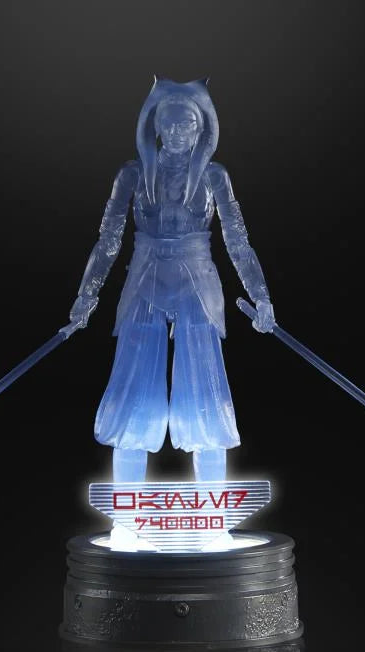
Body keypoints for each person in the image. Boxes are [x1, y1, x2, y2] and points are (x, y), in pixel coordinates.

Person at [66, 77, 275, 482]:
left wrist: (261, 296)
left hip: (198, 282)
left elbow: (237, 241)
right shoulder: (131, 174)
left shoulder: (214, 176)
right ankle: (127, 505)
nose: (178, 133)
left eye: (187, 125)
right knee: (133, 391)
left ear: (201, 130)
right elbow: (108, 240)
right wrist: (86, 296)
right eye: (171, 124)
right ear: (157, 127)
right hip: (144, 278)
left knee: (205, 391)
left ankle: (211, 506)